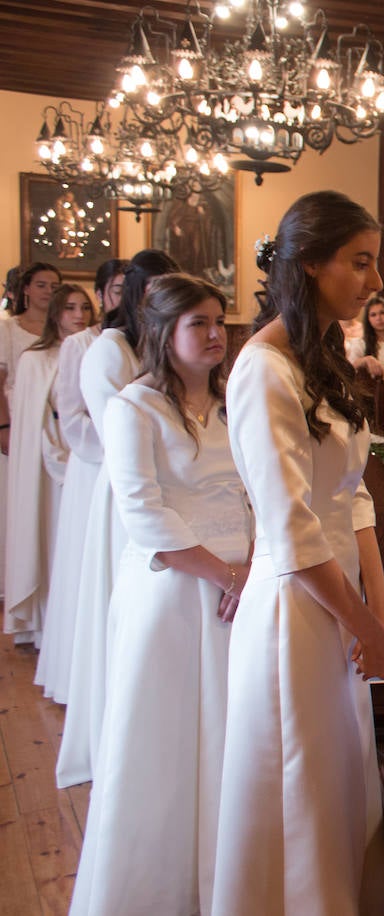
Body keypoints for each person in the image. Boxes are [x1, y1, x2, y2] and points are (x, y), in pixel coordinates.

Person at [215, 190, 384, 915]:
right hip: (296, 607)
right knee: (302, 785)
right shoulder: (264, 371)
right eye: (361, 262)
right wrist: (365, 629)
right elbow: (291, 534)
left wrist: (379, 608)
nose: (376, 282)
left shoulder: (321, 355)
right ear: (311, 264)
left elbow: (353, 496)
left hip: (341, 595)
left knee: (339, 783)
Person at [70, 275, 249, 916]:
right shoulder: (134, 407)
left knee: (233, 739)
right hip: (172, 591)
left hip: (241, 591)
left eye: (219, 321)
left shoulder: (233, 404)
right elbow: (142, 514)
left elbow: (253, 494)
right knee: (164, 744)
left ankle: (230, 881)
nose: (214, 334)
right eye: (197, 323)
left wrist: (250, 566)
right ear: (163, 333)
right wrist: (222, 574)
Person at [56, 249, 181, 789]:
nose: (157, 297)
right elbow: (119, 428)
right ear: (132, 292)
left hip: (173, 482)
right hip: (129, 488)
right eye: (149, 287)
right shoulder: (109, 349)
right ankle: (119, 734)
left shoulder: (160, 342)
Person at [37, 259, 125, 703]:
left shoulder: (142, 339)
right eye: (116, 289)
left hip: (127, 465)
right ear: (103, 293)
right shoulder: (81, 345)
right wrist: (116, 449)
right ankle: (80, 677)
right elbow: (70, 414)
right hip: (94, 464)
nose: (123, 297)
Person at [4, 283, 89, 648]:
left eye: (85, 308)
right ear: (56, 313)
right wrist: (59, 463)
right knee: (48, 539)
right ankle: (42, 625)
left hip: (82, 461)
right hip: (50, 469)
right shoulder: (34, 360)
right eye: (70, 308)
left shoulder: (92, 353)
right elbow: (37, 422)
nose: (79, 315)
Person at [0, 262, 61, 610]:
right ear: (26, 290)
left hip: (50, 422)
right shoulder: (9, 329)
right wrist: (4, 425)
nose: (48, 291)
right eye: (41, 285)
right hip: (17, 415)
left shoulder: (61, 329)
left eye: (54, 285)